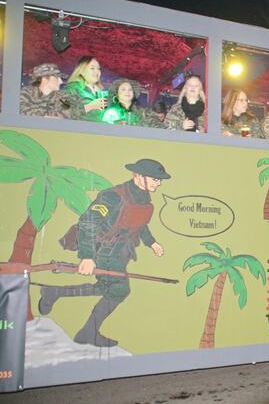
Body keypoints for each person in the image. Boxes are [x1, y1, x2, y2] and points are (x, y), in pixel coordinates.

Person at [39, 159, 170, 347]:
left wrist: (152, 243)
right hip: (103, 251)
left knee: (107, 288)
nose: (159, 183)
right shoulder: (113, 196)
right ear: (138, 176)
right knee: (119, 290)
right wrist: (87, 256)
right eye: (155, 179)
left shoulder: (143, 198)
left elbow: (140, 224)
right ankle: (88, 333)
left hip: (120, 252)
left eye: (160, 179)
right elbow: (88, 222)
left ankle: (54, 292)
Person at [63, 56, 108, 122]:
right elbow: (64, 111)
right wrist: (90, 106)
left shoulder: (102, 93)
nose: (97, 71)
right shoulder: (72, 89)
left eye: (98, 68)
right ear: (82, 71)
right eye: (92, 68)